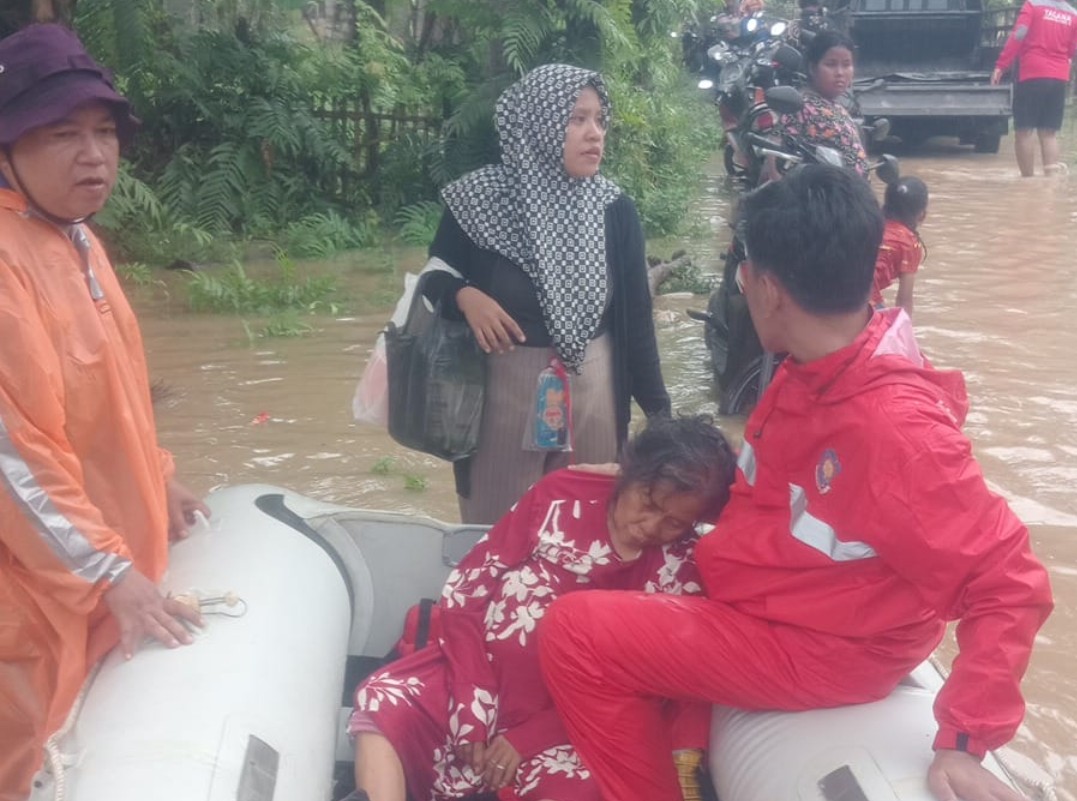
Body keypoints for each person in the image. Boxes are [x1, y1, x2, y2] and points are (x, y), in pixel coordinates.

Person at [539, 165, 1053, 801]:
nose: (742, 283)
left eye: (744, 271)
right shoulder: (817, 366)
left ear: (769, 289)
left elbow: (1010, 580)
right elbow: (776, 490)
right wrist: (645, 475)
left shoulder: (891, 428)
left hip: (826, 645)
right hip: (795, 598)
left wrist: (966, 741)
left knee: (573, 634)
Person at [0, 24, 208, 800]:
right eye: (64, 134)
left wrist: (158, 480)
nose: (95, 154)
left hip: (98, 568)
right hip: (34, 589)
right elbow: (14, 459)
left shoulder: (76, 237)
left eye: (104, 132)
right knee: (31, 757)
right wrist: (107, 570)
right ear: (8, 146)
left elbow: (113, 394)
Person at [349, 414, 737, 801]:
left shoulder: (683, 569)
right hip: (476, 675)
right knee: (384, 696)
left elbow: (648, 687)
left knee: (590, 787)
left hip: (574, 723)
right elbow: (467, 592)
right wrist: (473, 700)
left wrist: (530, 737)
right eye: (648, 502)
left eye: (674, 523)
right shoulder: (561, 496)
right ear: (628, 472)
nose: (651, 526)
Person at [419, 63, 670, 525]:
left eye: (599, 119)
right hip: (501, 394)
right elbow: (432, 277)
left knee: (587, 530)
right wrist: (464, 296)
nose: (594, 134)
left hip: (595, 391)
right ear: (538, 123)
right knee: (497, 532)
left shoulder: (614, 210)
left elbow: (636, 319)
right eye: (576, 119)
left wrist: (660, 415)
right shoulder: (480, 202)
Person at [991, 0, 1077, 177]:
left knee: (1024, 130)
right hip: (1059, 77)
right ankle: (1051, 182)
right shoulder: (1073, 14)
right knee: (1049, 133)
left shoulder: (1032, 5)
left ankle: (1027, 181)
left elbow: (1019, 35)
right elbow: (1072, 49)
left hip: (1032, 73)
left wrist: (1001, 64)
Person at [772, 30, 868, 177]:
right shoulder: (801, 107)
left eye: (847, 65)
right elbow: (774, 162)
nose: (840, 73)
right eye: (831, 64)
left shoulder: (835, 106)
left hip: (852, 195)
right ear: (812, 68)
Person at [871, 176, 929, 318]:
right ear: (922, 215)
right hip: (862, 301)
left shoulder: (869, 223)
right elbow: (904, 300)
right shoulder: (909, 243)